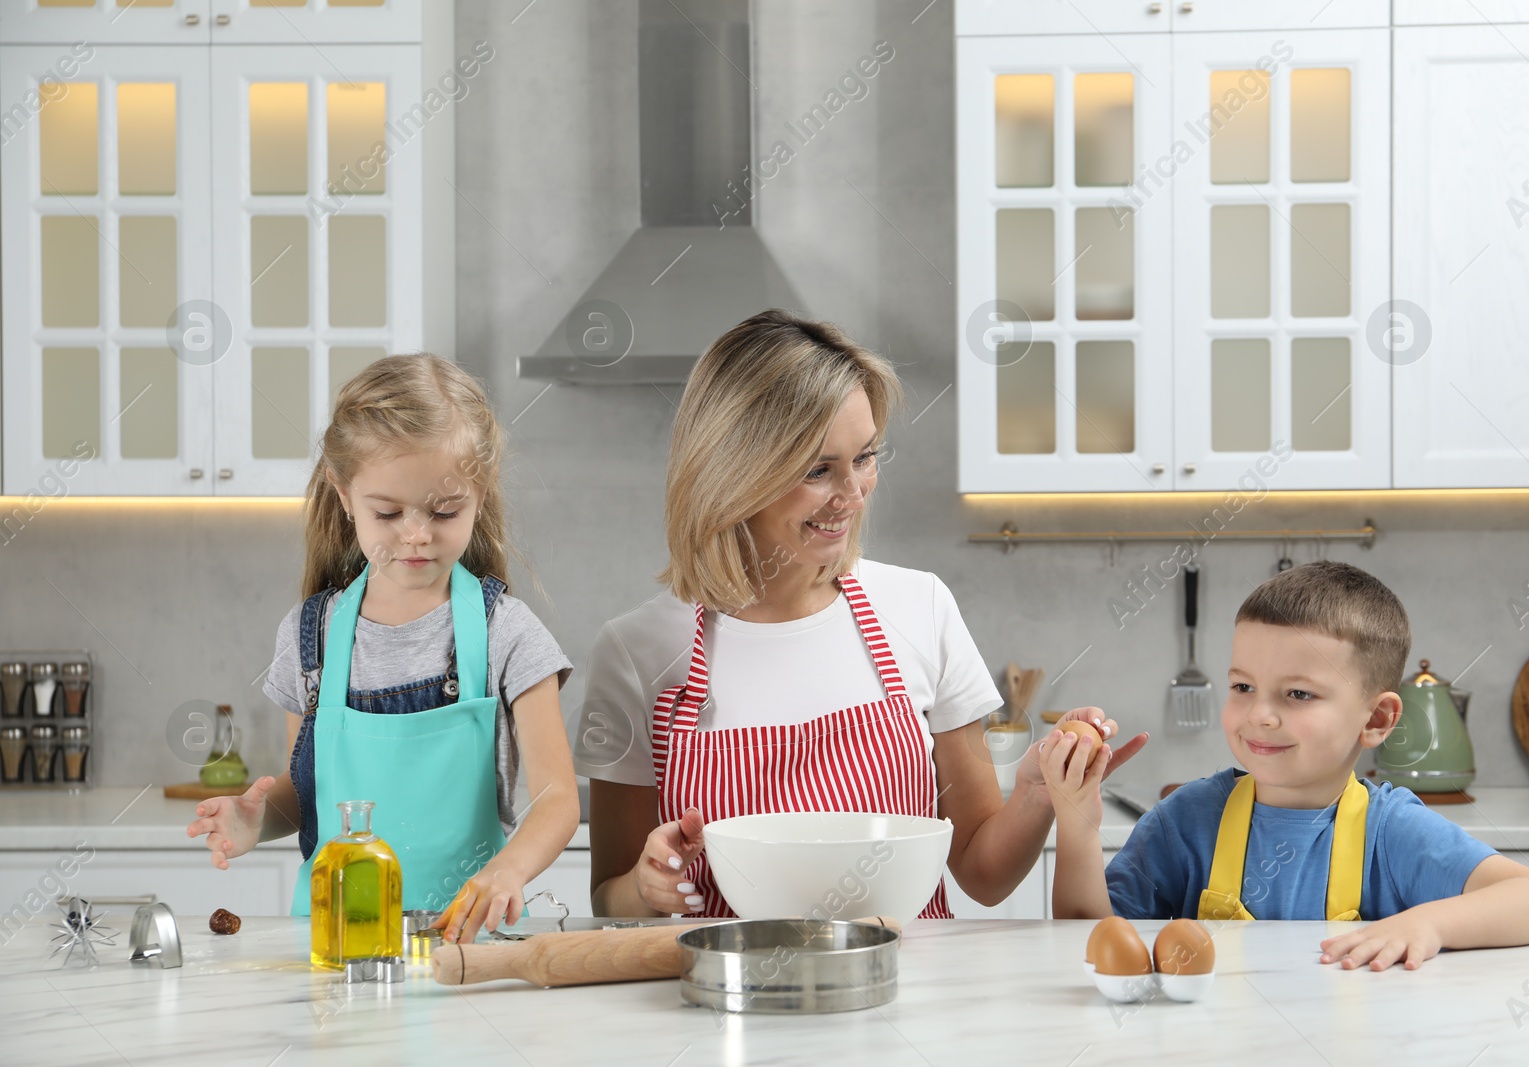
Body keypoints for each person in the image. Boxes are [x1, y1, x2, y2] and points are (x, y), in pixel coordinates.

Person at [578, 309, 1147, 918]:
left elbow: (982, 871)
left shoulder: (920, 608)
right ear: (732, 473)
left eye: (866, 457)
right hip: (733, 1004)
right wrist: (644, 888)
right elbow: (610, 897)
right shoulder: (637, 651)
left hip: (907, 999)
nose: (854, 493)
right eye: (818, 469)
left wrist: (1037, 792)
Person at [187, 355, 579, 943]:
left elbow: (557, 801)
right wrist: (256, 819)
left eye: (445, 511)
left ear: (480, 494)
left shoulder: (507, 633)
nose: (416, 534)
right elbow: (309, 796)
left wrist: (507, 871)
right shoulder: (310, 637)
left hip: (461, 946)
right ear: (344, 496)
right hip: (336, 942)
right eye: (388, 512)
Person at [1048, 560, 1529, 970]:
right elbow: (1089, 939)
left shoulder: (1389, 831)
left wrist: (1429, 924)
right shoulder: (1183, 822)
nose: (1260, 715)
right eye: (1243, 687)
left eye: (1298, 693)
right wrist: (1076, 821)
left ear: (1377, 719)